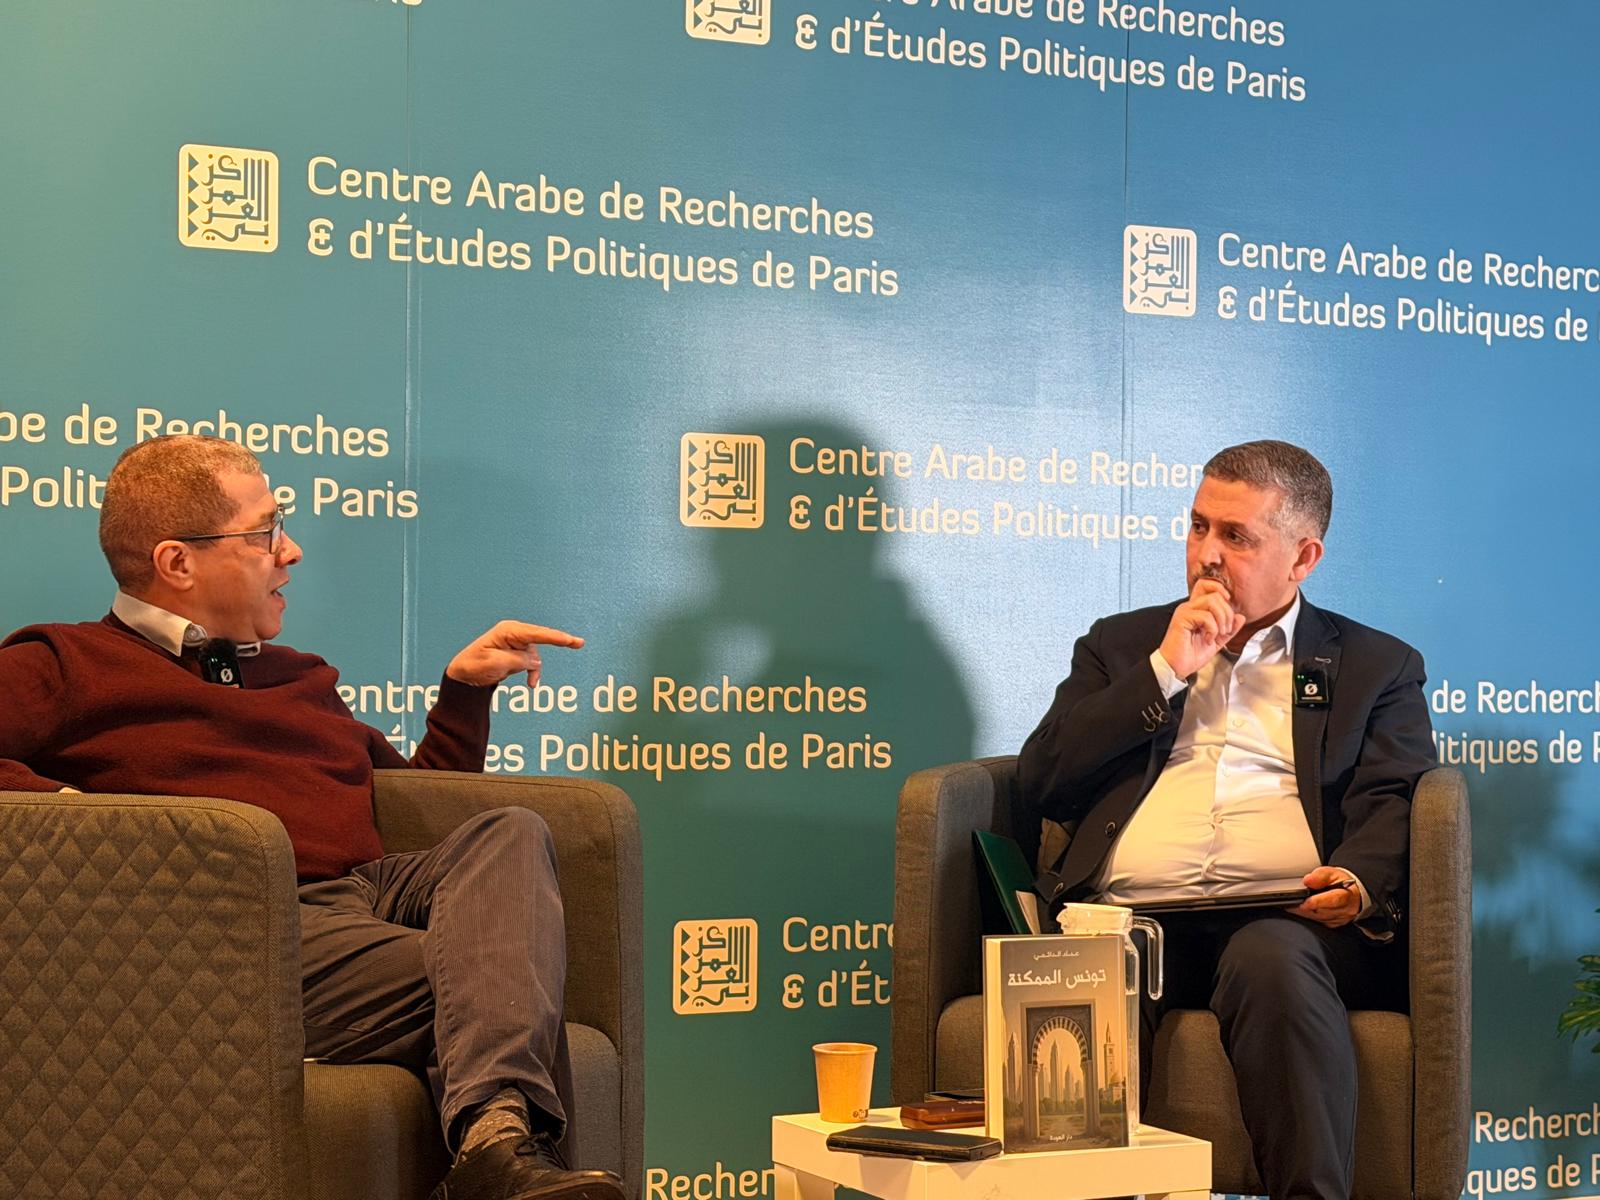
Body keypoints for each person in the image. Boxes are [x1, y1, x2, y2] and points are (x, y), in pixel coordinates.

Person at [0, 435, 624, 1200]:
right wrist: (89, 823)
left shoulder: (298, 677)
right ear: (178, 562)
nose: (290, 551)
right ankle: (498, 1147)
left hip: (370, 896)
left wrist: (464, 692)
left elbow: (420, 803)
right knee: (501, 976)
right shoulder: (63, 664)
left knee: (510, 830)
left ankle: (493, 1156)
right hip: (247, 930)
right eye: (266, 532)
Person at [1017, 440, 1435, 1200]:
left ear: (1303, 557)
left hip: (1289, 923)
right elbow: (1043, 780)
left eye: (1236, 536)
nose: (1207, 554)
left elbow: (1397, 794)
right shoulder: (1123, 645)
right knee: (1097, 964)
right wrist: (1164, 672)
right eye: (1198, 526)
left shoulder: (1376, 666)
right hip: (1131, 919)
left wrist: (1357, 879)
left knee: (1269, 958)